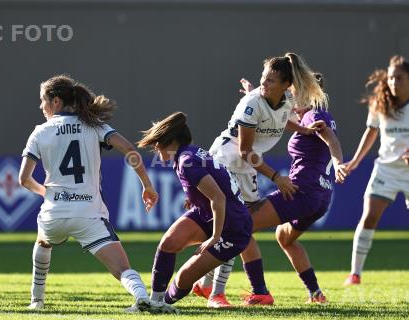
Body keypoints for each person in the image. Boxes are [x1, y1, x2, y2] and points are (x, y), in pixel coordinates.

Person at [19, 74, 177, 314]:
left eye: (43, 100)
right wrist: (147, 184)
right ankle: (141, 296)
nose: (41, 106)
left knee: (43, 241)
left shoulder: (40, 132)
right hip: (88, 214)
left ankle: (36, 300)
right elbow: (128, 149)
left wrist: (46, 194)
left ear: (57, 102)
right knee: (122, 268)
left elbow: (24, 179)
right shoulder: (94, 126)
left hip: (54, 213)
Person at [195, 52, 328, 307]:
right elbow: (245, 151)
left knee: (239, 227)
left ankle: (206, 284)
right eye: (263, 79)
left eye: (270, 81)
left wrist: (304, 130)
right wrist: (277, 178)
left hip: (247, 165)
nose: (264, 85)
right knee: (237, 226)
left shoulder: (286, 99)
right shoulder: (253, 103)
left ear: (286, 85)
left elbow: (284, 120)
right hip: (227, 158)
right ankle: (216, 294)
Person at [226, 73, 346, 304]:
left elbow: (330, 138)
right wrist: (256, 94)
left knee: (240, 225)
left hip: (301, 191)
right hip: (321, 197)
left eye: (294, 90)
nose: (290, 94)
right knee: (284, 237)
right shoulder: (313, 114)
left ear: (308, 93)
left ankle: (259, 291)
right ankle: (316, 294)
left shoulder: (313, 114)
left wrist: (339, 162)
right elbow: (281, 116)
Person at [137, 111, 255, 307]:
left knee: (184, 277)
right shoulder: (189, 153)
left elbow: (218, 197)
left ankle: (163, 303)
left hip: (233, 228)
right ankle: (154, 302)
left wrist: (216, 236)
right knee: (168, 242)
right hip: (208, 213)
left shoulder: (186, 161)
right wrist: (193, 198)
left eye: (158, 142)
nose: (156, 148)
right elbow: (213, 185)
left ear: (171, 140)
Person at [343, 55, 409, 286]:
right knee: (369, 217)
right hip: (386, 171)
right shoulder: (380, 103)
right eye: (391, 77)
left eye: (399, 78)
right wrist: (355, 161)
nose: (394, 82)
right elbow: (371, 133)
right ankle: (355, 274)